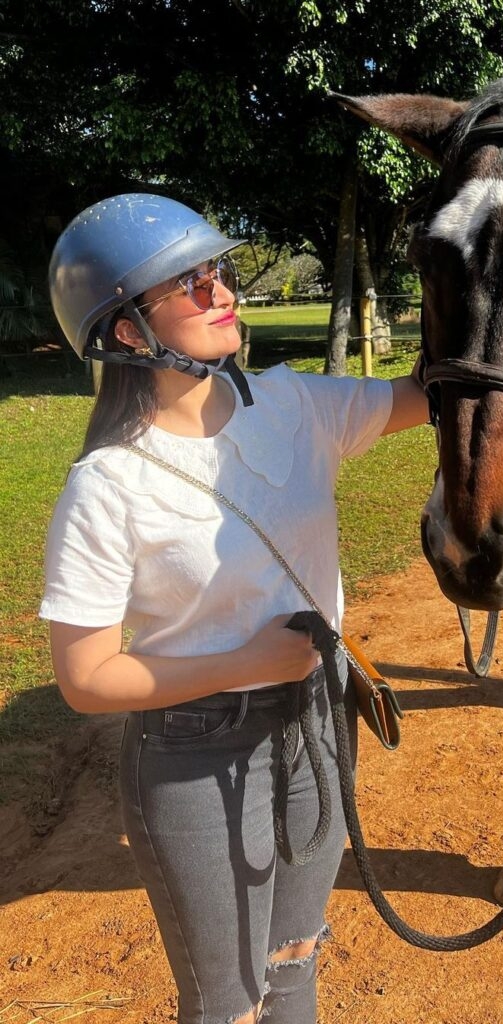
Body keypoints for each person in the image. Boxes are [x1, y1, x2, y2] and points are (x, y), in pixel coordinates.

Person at [40, 193, 429, 1024]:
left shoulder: (298, 405)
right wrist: (251, 663)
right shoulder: (107, 486)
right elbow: (84, 677)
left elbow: (433, 393)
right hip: (194, 751)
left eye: (217, 272)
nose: (222, 293)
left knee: (295, 964)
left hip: (319, 723)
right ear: (125, 330)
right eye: (189, 284)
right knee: (228, 1001)